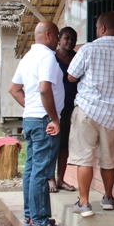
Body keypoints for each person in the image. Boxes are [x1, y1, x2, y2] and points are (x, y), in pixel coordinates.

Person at [68, 12, 114, 217]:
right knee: (109, 159)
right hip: (113, 115)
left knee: (84, 158)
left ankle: (84, 203)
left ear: (102, 29)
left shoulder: (89, 49)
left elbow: (71, 76)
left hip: (88, 110)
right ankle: (108, 198)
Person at [9, 21, 66, 226]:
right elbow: (45, 89)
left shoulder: (28, 57)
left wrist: (30, 107)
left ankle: (30, 215)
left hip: (31, 118)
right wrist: (54, 119)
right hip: (44, 121)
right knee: (42, 172)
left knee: (32, 169)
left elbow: (14, 89)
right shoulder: (46, 57)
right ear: (50, 35)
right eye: (58, 35)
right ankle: (40, 221)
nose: (59, 40)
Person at [48, 26, 78, 193]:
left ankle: (61, 179)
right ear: (59, 39)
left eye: (73, 38)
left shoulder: (77, 57)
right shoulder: (52, 58)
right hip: (55, 106)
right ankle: (50, 178)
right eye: (66, 38)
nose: (70, 41)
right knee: (53, 143)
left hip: (72, 106)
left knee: (65, 144)